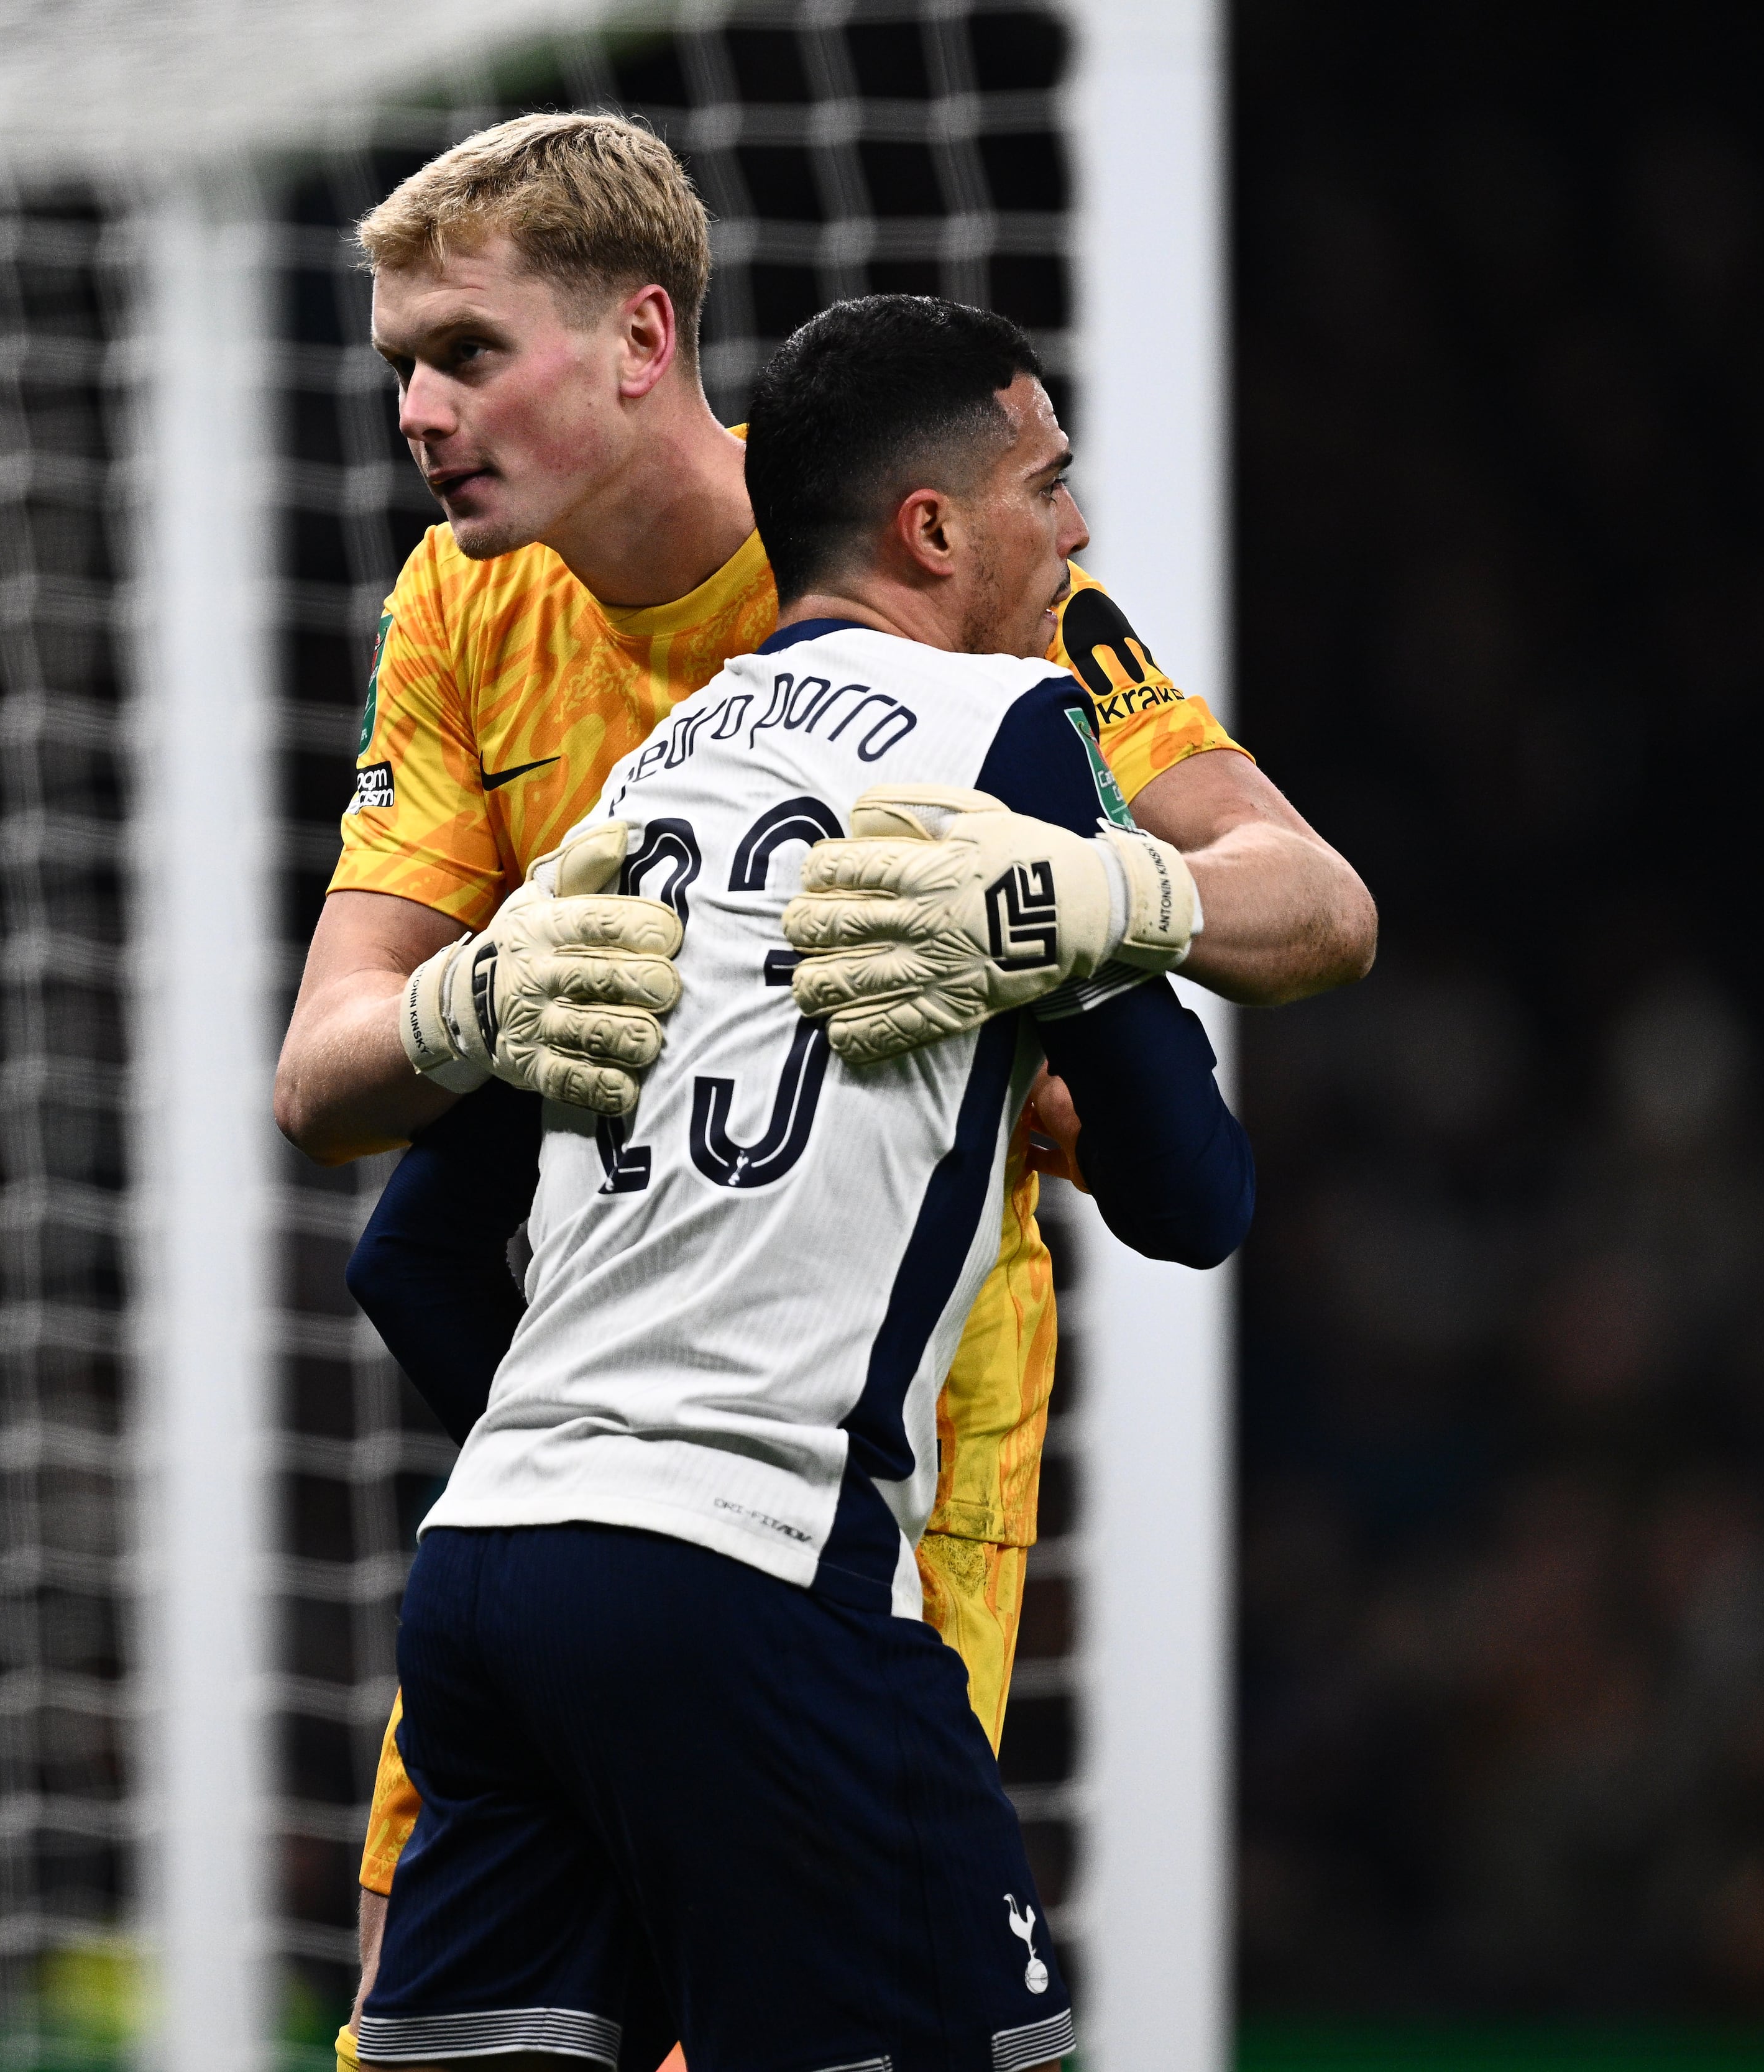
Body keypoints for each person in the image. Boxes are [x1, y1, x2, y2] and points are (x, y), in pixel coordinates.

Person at [267, 111, 1375, 2064]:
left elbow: (1314, 899)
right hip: (675, 1469)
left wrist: (1082, 903)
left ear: (642, 338)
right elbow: (327, 1071)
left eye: (464, 352)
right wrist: (481, 1009)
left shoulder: (943, 565)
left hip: (846, 1463)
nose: (421, 413)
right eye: (402, 367)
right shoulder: (463, 609)